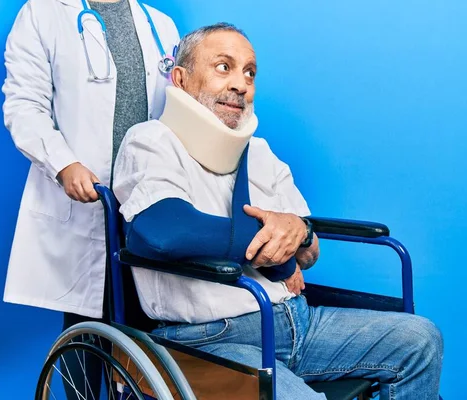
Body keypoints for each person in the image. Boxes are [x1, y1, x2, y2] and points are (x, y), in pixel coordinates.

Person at [113, 23, 443, 400]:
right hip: (211, 338)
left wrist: (299, 233)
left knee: (420, 340)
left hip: (298, 321)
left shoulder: (261, 152)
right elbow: (164, 231)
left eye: (249, 73)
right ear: (181, 79)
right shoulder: (151, 141)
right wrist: (280, 262)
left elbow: (311, 251)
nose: (241, 84)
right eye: (224, 67)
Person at [1, 0, 179, 396]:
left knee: (150, 333)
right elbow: (24, 105)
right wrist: (63, 164)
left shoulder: (160, 24)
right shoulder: (44, 13)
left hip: (149, 205)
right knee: (88, 326)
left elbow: (181, 111)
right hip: (88, 202)